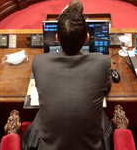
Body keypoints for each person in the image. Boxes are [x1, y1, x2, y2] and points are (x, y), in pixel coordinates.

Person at [21, 8, 112, 150]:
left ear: (57, 38)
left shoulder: (39, 62)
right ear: (87, 38)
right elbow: (106, 90)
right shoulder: (102, 62)